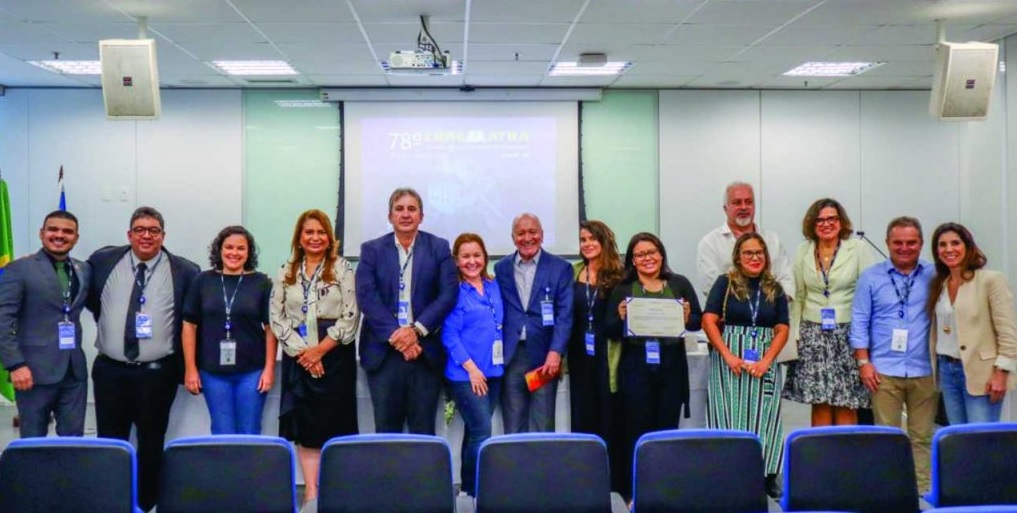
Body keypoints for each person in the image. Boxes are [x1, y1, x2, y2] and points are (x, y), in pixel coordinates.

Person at [86, 206, 200, 512]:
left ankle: (148, 501)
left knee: (151, 439)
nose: (146, 235)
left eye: (153, 230)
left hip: (157, 372)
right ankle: (114, 498)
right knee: (111, 439)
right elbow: (94, 302)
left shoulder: (186, 270)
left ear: (163, 235)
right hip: (110, 370)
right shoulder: (103, 261)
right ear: (129, 234)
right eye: (140, 229)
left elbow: (192, 320)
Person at [270, 209, 359, 502]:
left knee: (335, 424)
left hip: (334, 356)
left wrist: (319, 351)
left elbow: (350, 315)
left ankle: (336, 491)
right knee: (306, 427)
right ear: (299, 237)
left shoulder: (344, 269)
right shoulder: (286, 271)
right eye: (309, 232)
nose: (315, 237)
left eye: (321, 232)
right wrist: (303, 353)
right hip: (299, 358)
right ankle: (311, 492)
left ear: (330, 238)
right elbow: (277, 318)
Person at [604, 232, 700, 499]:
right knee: (635, 431)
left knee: (666, 431)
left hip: (671, 369)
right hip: (635, 370)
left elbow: (697, 323)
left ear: (661, 255)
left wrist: (688, 315)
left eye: (651, 252)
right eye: (640, 254)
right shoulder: (623, 289)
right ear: (632, 260)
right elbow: (609, 330)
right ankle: (634, 493)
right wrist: (621, 316)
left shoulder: (679, 283)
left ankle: (665, 492)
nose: (647, 259)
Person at [356, 188, 458, 434]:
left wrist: (416, 331)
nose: (405, 214)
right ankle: (388, 475)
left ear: (421, 216)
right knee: (386, 431)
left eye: (411, 209)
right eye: (399, 209)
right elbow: (367, 297)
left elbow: (448, 294)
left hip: (424, 353)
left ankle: (423, 475)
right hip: (384, 354)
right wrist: (400, 337)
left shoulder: (439, 247)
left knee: (423, 431)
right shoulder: (372, 250)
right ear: (390, 216)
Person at [850, 216, 936, 492]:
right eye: (898, 242)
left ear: (921, 244)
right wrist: (864, 362)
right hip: (883, 370)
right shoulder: (871, 277)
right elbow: (860, 321)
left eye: (911, 242)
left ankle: (922, 491)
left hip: (924, 369)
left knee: (922, 436)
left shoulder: (935, 275)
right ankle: (890, 492)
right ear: (887, 243)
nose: (904, 248)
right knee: (888, 437)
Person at [702, 232, 789, 499]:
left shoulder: (775, 288)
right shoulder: (724, 284)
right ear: (738, 257)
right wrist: (727, 355)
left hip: (763, 364)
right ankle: (726, 476)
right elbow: (708, 320)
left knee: (766, 421)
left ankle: (765, 478)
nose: (754, 258)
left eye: (759, 253)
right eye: (748, 253)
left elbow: (783, 329)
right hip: (730, 363)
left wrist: (766, 361)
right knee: (727, 419)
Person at [783, 199, 875, 426]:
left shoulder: (858, 249)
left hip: (847, 333)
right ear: (812, 224)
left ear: (841, 221)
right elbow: (799, 296)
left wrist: (867, 338)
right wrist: (795, 335)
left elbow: (868, 296)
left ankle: (846, 460)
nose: (826, 224)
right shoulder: (803, 251)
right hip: (812, 334)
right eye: (820, 220)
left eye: (832, 218)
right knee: (820, 401)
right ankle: (822, 459)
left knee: (846, 400)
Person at [0, 210, 90, 438]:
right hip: (32, 373)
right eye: (53, 230)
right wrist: (14, 364)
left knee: (73, 442)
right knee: (34, 443)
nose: (60, 235)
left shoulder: (83, 270)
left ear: (76, 238)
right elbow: (3, 319)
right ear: (42, 234)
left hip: (74, 373)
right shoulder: (19, 269)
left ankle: (67, 476)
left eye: (67, 231)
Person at [182, 226, 276, 434]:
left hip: (252, 371)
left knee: (250, 430)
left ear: (249, 252)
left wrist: (269, 369)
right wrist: (190, 368)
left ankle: (248, 469)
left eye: (241, 248)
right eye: (229, 247)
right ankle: (225, 468)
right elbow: (189, 325)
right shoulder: (202, 281)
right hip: (212, 371)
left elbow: (271, 329)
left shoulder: (261, 283)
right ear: (219, 250)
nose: (234, 253)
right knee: (222, 432)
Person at [927, 222, 1017, 424]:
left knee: (981, 441)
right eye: (942, 245)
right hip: (948, 372)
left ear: (968, 246)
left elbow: (1008, 333)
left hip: (982, 374)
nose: (949, 249)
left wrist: (1001, 372)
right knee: (958, 440)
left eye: (955, 243)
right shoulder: (939, 284)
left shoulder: (991, 280)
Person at [494, 213, 573, 433]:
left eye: (533, 232)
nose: (527, 238)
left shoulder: (560, 268)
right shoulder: (501, 268)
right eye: (521, 233)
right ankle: (515, 468)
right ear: (513, 238)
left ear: (542, 235)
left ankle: (542, 468)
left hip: (545, 358)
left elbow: (565, 314)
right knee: (513, 425)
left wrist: (556, 352)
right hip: (512, 357)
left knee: (542, 423)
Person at [442, 233, 504, 497]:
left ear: (485, 257)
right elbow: (449, 335)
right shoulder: (454, 292)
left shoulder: (493, 285)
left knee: (474, 430)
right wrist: (473, 370)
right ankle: (473, 492)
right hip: (466, 375)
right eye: (465, 256)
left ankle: (468, 488)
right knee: (482, 432)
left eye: (477, 255)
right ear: (456, 260)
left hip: (494, 371)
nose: (472, 261)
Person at [568, 220, 625, 491]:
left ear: (603, 241)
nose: (587, 244)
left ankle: (611, 484)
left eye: (592, 239)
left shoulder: (620, 274)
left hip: (608, 354)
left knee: (609, 417)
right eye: (582, 239)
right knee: (582, 416)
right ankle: (584, 482)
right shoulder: (574, 272)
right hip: (579, 356)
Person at [697, 181, 793, 302]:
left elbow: (786, 279)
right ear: (726, 208)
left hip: (770, 313)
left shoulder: (772, 240)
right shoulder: (710, 243)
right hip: (727, 314)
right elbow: (710, 286)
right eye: (737, 202)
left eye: (749, 202)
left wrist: (773, 307)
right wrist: (744, 308)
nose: (744, 207)